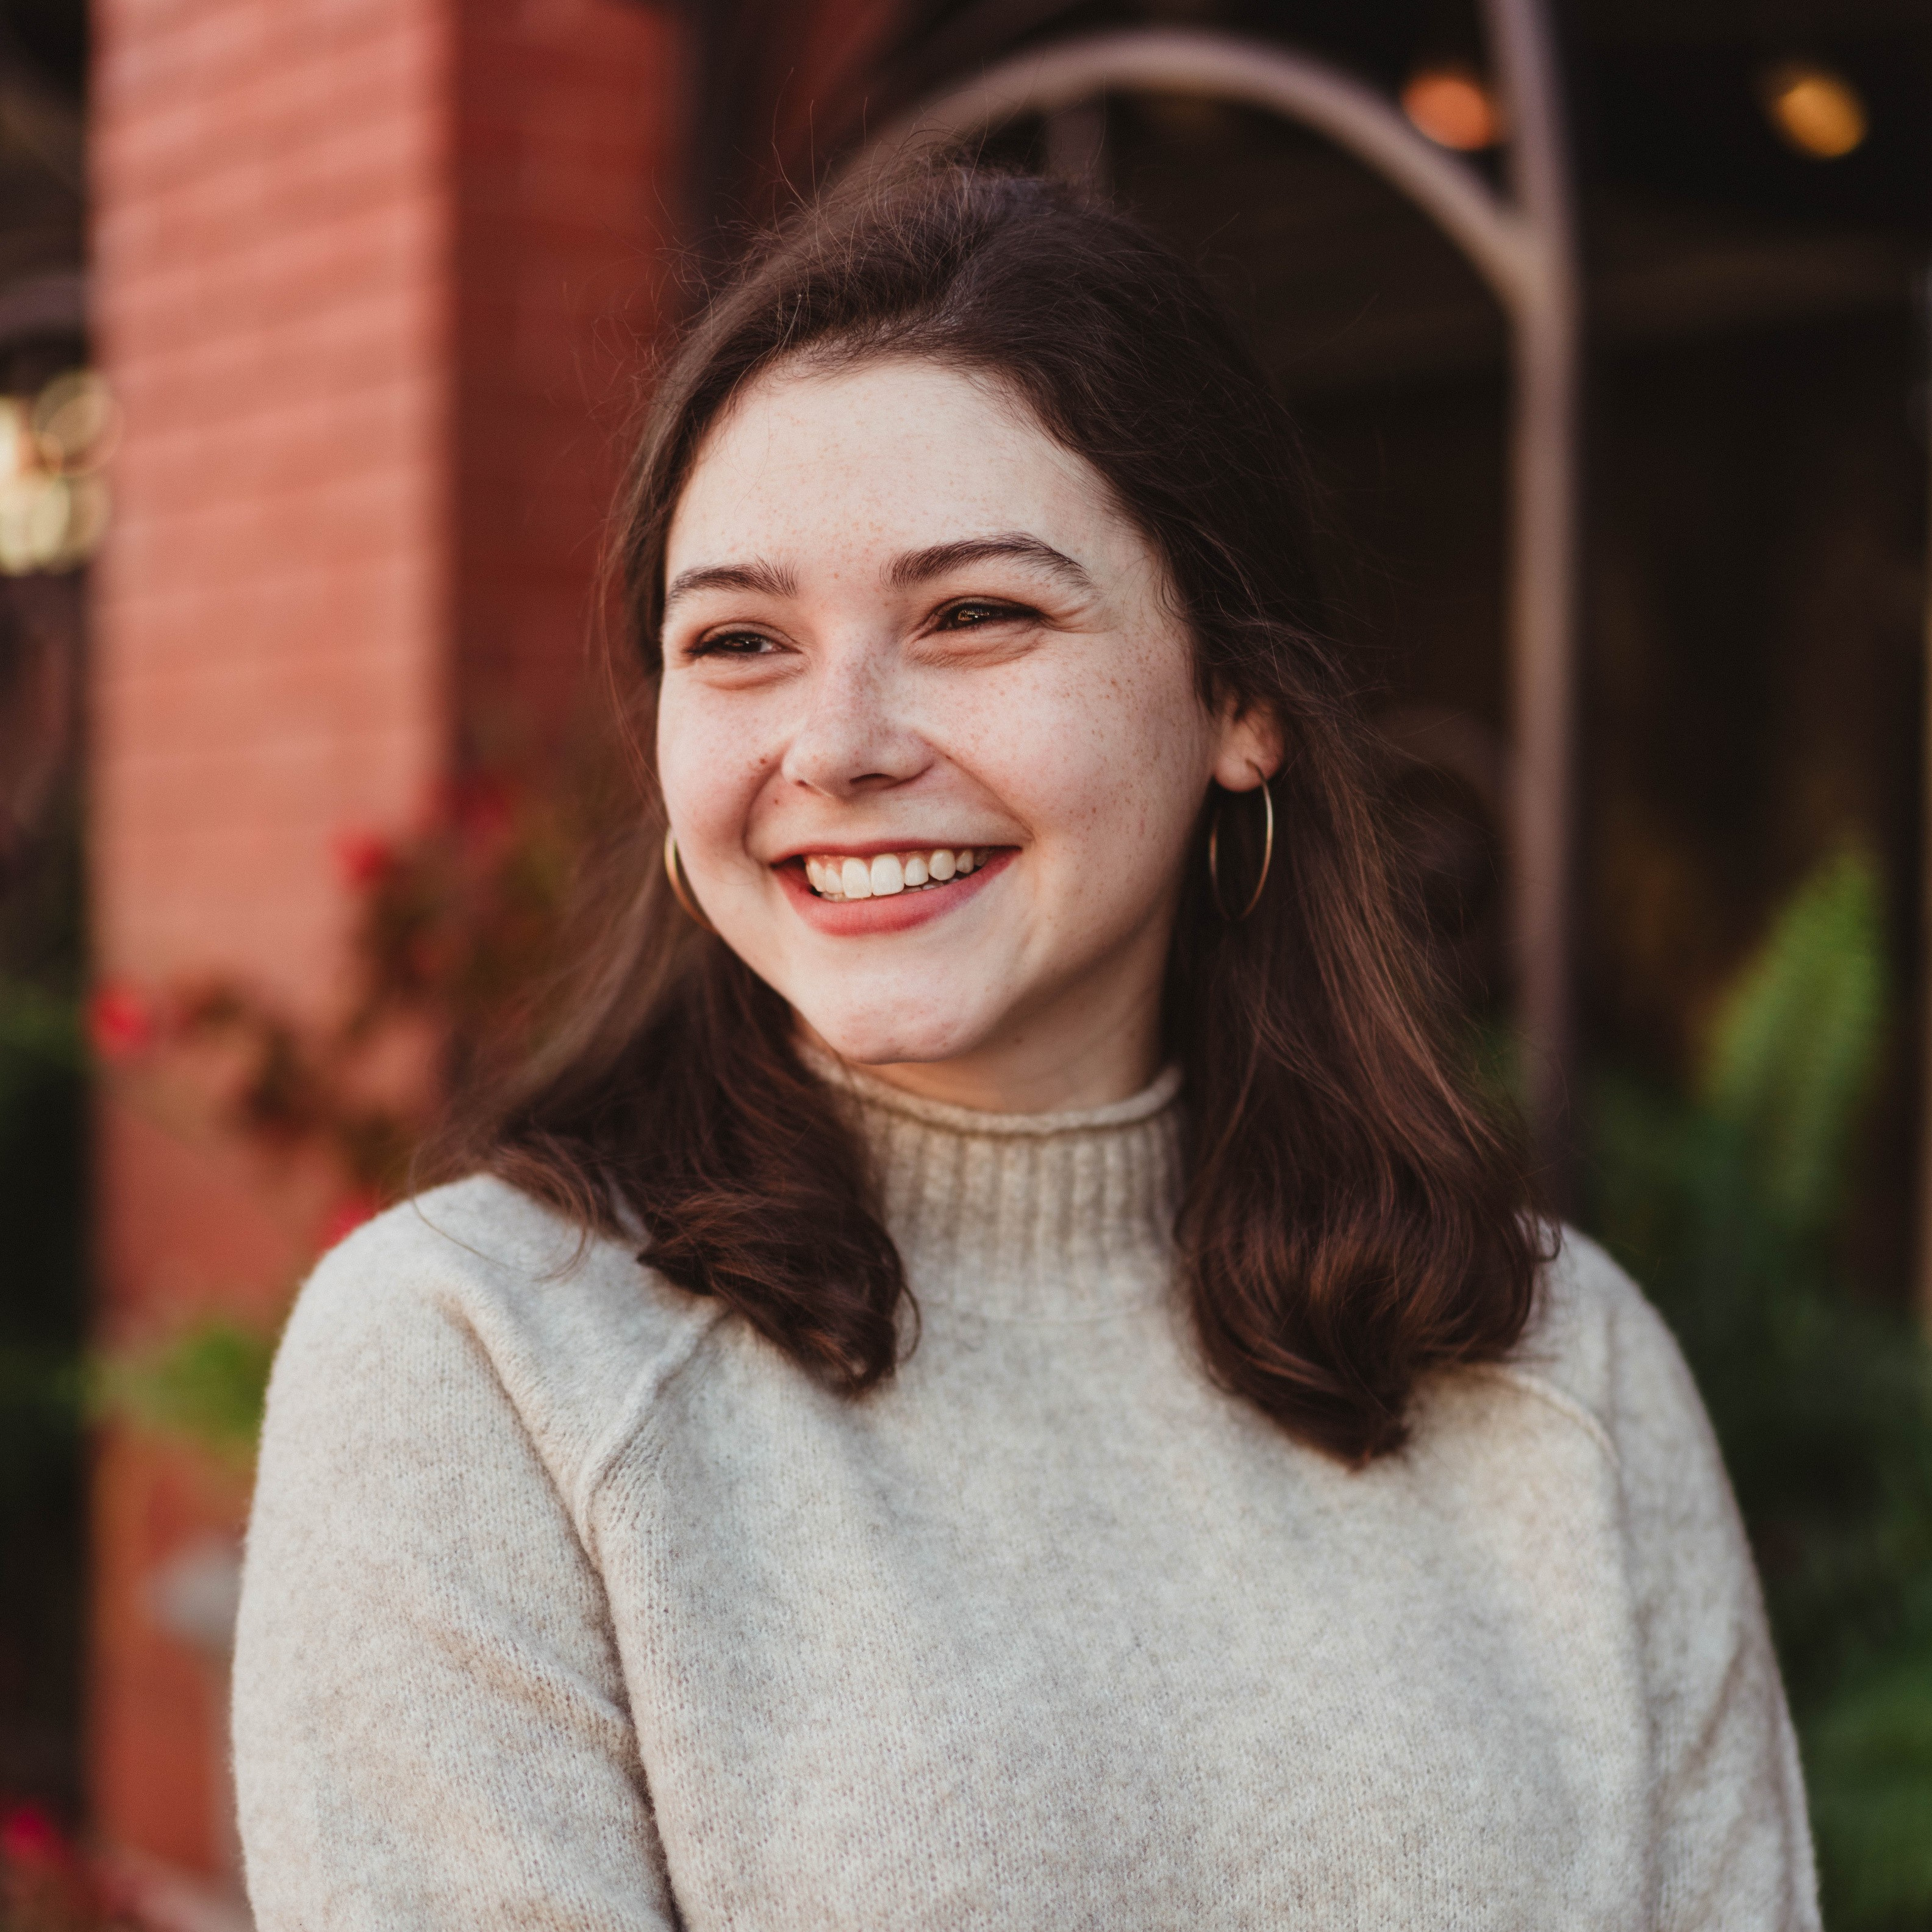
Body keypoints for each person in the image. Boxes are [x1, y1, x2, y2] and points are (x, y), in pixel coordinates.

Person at [232, 163, 1817, 1929]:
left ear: (1242, 699)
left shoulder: (1559, 1374)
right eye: (739, 641)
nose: (834, 746)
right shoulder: (486, 1366)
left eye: (977, 615)